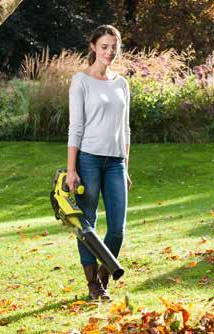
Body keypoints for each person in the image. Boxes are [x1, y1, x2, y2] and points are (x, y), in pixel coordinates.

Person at [65, 25, 131, 301]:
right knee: (87, 224)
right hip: (89, 160)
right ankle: (94, 286)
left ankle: (104, 277)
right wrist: (71, 170)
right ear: (93, 47)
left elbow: (126, 128)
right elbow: (75, 127)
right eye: (104, 46)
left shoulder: (122, 84)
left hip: (116, 162)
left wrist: (126, 165)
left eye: (114, 46)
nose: (110, 52)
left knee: (117, 228)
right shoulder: (81, 81)